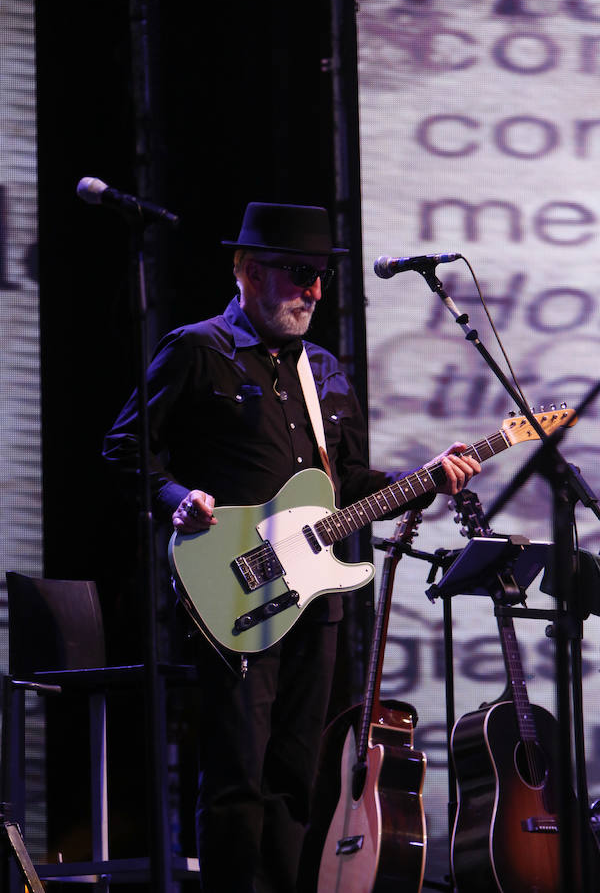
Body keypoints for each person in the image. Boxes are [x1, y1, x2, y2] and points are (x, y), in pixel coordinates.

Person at [102, 201, 481, 892]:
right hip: (231, 585)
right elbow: (125, 446)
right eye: (296, 273)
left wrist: (426, 480)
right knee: (239, 776)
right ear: (246, 271)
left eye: (319, 277)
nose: (311, 290)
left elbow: (353, 483)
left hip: (315, 598)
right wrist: (175, 499)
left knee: (297, 776)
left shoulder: (327, 371)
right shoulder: (198, 348)